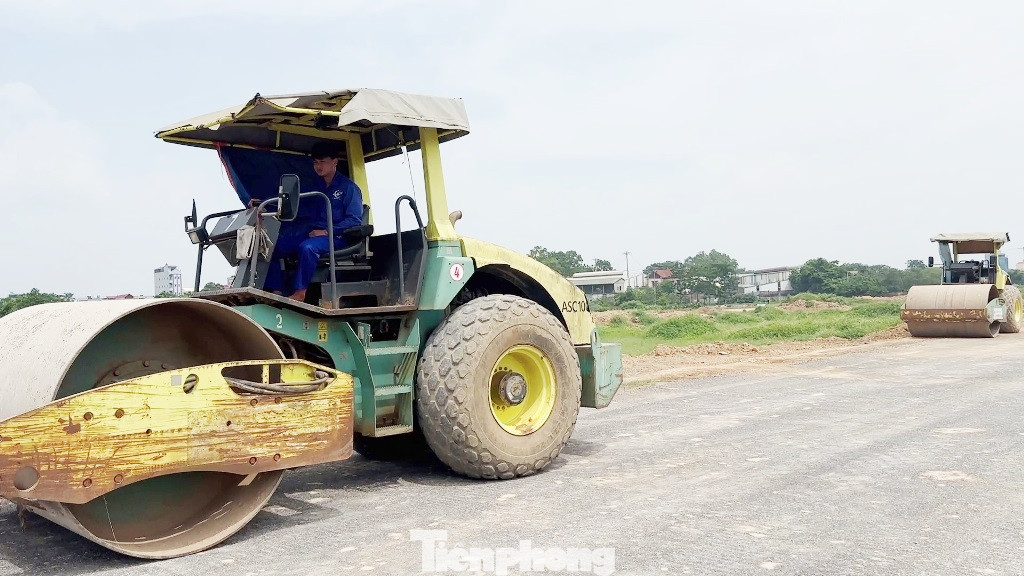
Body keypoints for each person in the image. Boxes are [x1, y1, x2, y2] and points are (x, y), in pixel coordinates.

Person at [262, 140, 364, 302]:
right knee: (273, 246)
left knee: (307, 248)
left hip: (338, 237)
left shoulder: (349, 188)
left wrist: (327, 231)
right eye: (315, 162)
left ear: (335, 162)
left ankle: (300, 292)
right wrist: (263, 203)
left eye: (322, 162)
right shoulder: (315, 186)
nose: (318, 166)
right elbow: (293, 202)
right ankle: (277, 291)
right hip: (313, 233)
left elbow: (354, 221)